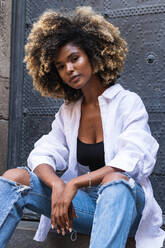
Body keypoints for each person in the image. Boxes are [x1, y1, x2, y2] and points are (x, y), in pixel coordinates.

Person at [0, 6, 164, 248]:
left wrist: (75, 183)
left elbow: (132, 162)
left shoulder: (128, 102)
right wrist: (57, 184)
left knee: (116, 181)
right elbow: (43, 153)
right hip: (86, 207)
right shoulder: (68, 111)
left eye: (74, 58)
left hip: (126, 208)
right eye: (60, 65)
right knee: (14, 178)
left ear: (94, 56)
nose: (69, 69)